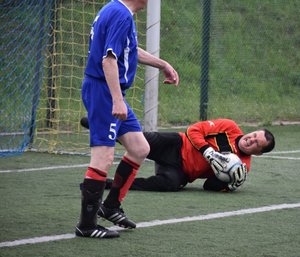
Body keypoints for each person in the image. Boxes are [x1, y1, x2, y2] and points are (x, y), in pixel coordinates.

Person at [75, 0, 180, 239]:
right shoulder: (121, 14)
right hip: (104, 91)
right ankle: (86, 225)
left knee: (140, 147)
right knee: (104, 156)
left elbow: (129, 50)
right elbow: (108, 60)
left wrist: (162, 64)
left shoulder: (118, 10)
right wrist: (116, 100)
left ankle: (110, 206)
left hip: (109, 91)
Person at [81, 117, 275, 193]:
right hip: (175, 144)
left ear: (258, 153)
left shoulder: (242, 167)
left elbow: (208, 187)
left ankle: (108, 183)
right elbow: (194, 130)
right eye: (254, 135)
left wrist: (229, 185)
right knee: (135, 139)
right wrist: (207, 151)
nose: (251, 140)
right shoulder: (230, 127)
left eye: (257, 143)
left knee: (168, 185)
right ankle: (99, 123)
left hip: (181, 172)